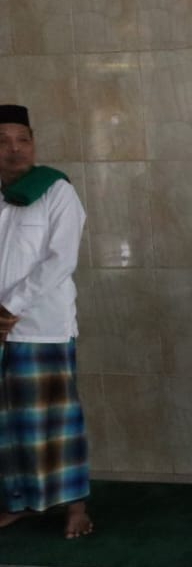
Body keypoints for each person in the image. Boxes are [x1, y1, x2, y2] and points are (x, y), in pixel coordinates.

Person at [0, 104, 92, 539]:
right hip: (1, 328)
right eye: (3, 141)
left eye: (23, 139)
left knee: (56, 421)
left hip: (41, 327)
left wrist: (10, 308)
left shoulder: (56, 190)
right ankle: (19, 502)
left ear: (34, 143)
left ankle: (75, 506)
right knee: (9, 424)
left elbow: (61, 259)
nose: (14, 149)